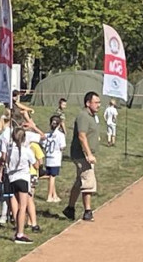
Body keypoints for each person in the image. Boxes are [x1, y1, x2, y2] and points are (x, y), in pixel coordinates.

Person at [64, 91, 100, 221]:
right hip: (82, 155)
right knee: (88, 182)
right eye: (96, 102)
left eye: (99, 102)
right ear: (88, 103)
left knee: (80, 182)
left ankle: (70, 208)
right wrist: (88, 154)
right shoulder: (83, 116)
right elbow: (82, 136)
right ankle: (87, 211)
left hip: (85, 154)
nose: (98, 105)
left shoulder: (91, 116)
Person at [5, 125, 37, 244]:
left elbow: (6, 160)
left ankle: (18, 230)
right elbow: (35, 164)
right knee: (23, 207)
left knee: (17, 205)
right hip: (23, 178)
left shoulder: (9, 149)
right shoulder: (26, 150)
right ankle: (20, 233)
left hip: (12, 178)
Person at [43, 115, 66, 203]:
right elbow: (62, 147)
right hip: (55, 158)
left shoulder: (47, 134)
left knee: (52, 177)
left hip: (48, 157)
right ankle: (49, 196)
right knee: (52, 177)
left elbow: (44, 145)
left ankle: (54, 195)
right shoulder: (60, 135)